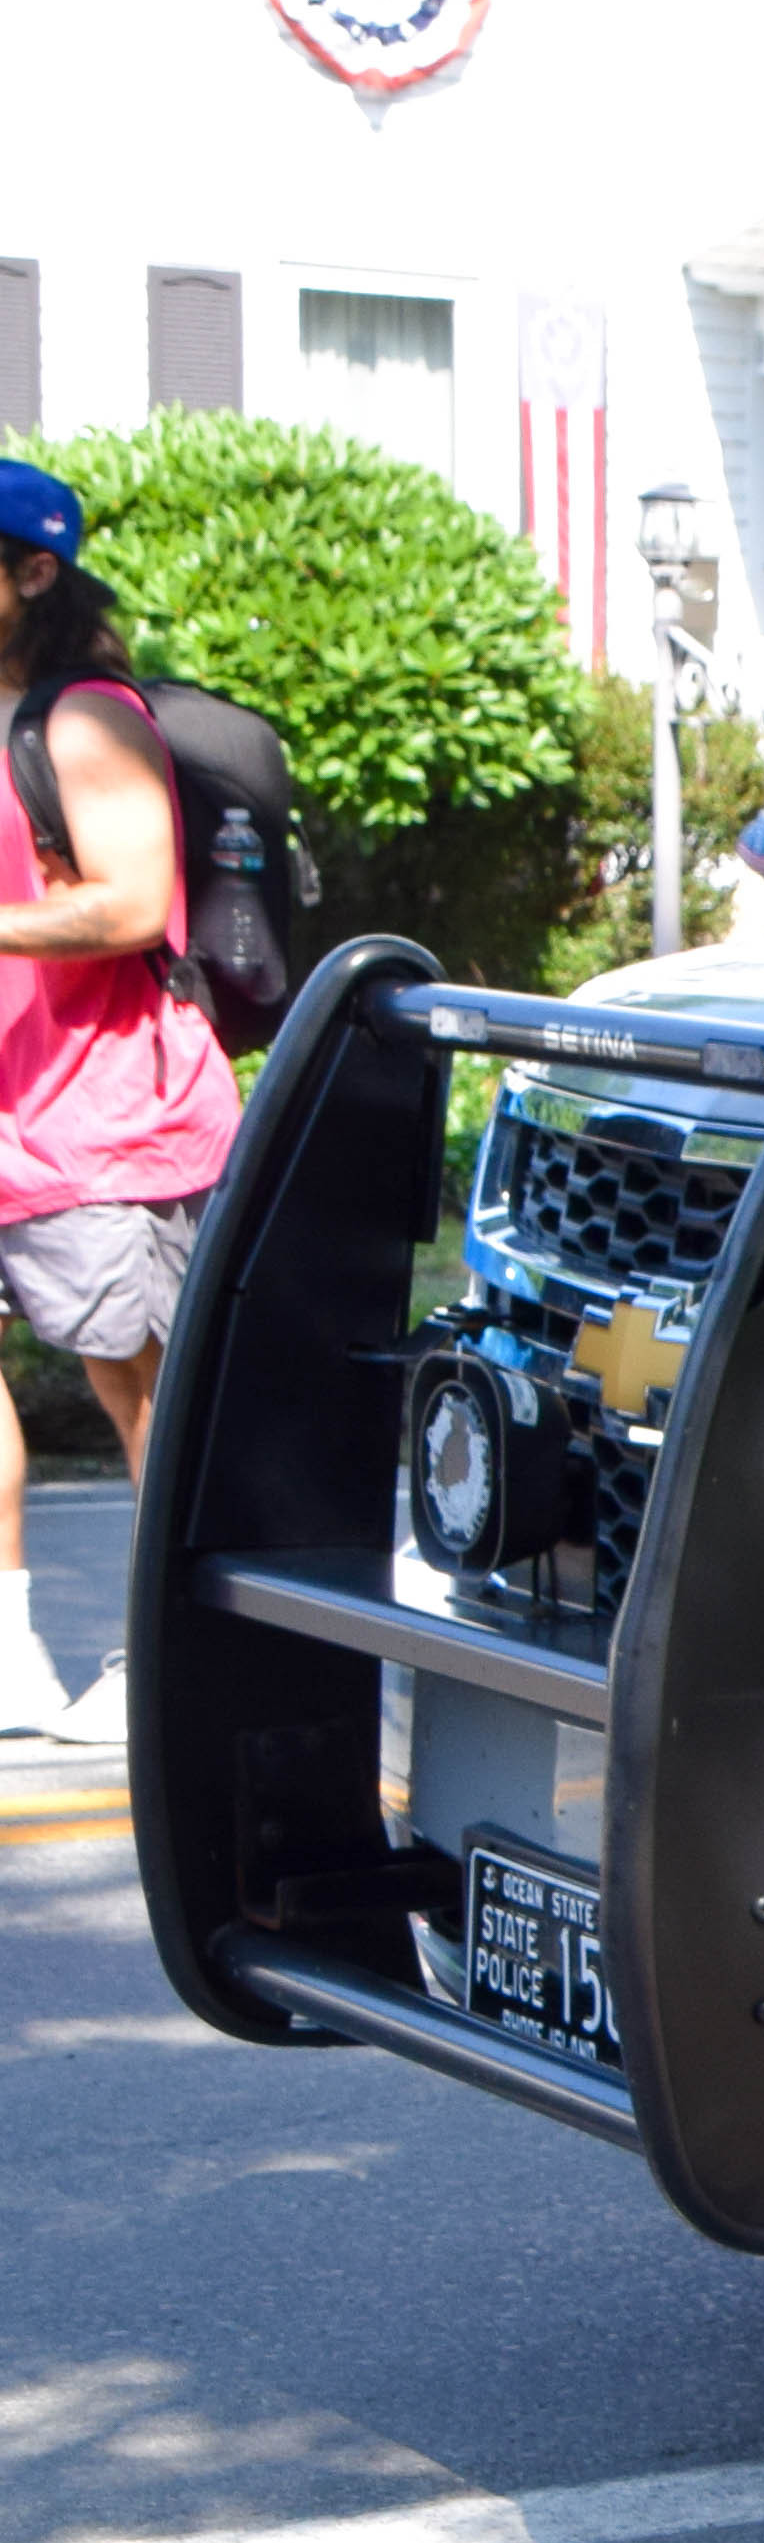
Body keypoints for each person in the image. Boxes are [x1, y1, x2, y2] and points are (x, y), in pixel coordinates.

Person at [0, 463, 237, 1744]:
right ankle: (8, 1655)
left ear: (33, 573)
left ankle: (168, 1661)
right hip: (12, 1112)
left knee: (146, 1395)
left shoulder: (84, 720)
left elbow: (133, 903)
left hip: (106, 1119)